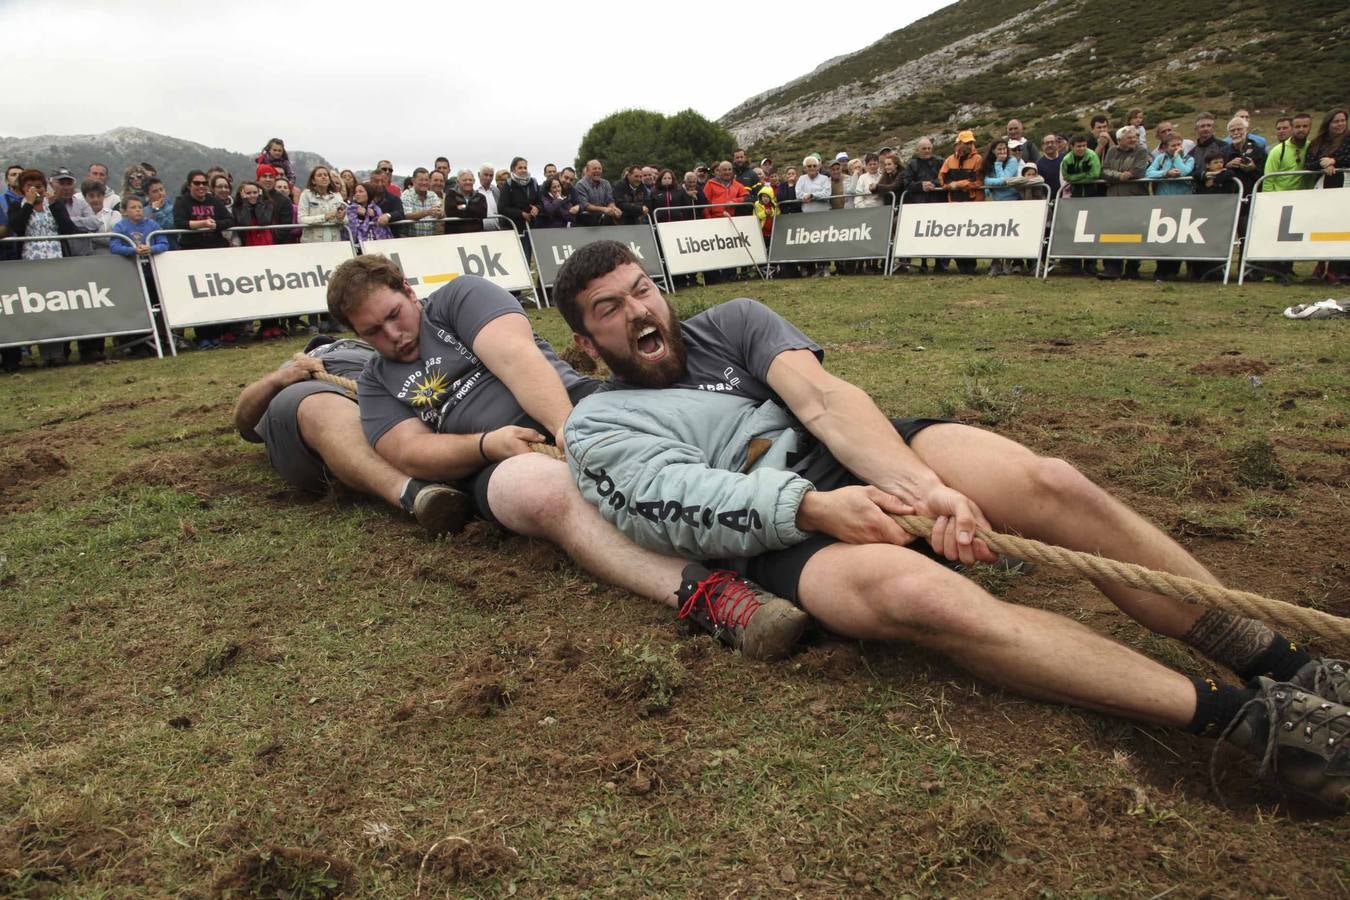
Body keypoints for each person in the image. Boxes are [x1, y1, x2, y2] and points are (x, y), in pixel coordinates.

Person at [551, 239, 1350, 812]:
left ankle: (1287, 663)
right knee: (924, 598)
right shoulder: (596, 428)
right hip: (787, 530)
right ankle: (1254, 725)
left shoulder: (731, 320)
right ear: (587, 346)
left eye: (644, 288)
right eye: (611, 309)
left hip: (869, 460)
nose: (641, 310)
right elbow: (676, 500)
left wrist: (922, 488)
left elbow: (825, 400)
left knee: (1055, 483)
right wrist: (818, 508)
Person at [323, 255, 810, 660]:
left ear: (409, 291)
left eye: (395, 315)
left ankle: (795, 504)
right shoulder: (375, 382)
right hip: (499, 464)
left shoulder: (458, 299)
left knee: (685, 430)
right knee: (542, 492)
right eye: (374, 332)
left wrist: (568, 433)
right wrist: (484, 445)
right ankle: (713, 596)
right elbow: (409, 450)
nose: (394, 335)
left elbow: (518, 358)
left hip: (577, 407)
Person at [234, 336, 473, 537]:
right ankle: (416, 493)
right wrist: (279, 379)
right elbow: (244, 424)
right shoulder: (292, 368)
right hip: (309, 390)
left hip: (382, 384)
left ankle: (466, 466)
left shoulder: (375, 351)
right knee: (320, 408)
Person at [5, 169, 79, 366]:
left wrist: (54, 204)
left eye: (38, 184)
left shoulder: (54, 204)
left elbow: (68, 228)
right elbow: (16, 227)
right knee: (39, 307)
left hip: (56, 257)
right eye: (29, 184)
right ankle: (44, 354)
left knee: (58, 305)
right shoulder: (17, 206)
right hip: (31, 260)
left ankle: (60, 352)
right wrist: (28, 205)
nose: (35, 187)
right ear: (21, 188)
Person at [175, 170, 234, 349]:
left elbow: (229, 220)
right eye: (197, 183)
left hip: (215, 254)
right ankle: (202, 336)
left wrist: (216, 225)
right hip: (192, 254)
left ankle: (216, 335)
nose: (201, 186)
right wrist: (202, 224)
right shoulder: (182, 201)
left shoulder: (214, 201)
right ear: (189, 184)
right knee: (199, 297)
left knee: (216, 296)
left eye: (204, 183)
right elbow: (179, 223)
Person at [110, 195, 171, 356]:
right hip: (131, 275)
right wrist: (133, 250)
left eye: (139, 207)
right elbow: (114, 247)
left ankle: (159, 340)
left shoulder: (152, 224)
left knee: (155, 306)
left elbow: (164, 243)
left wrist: (151, 249)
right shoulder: (120, 227)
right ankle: (137, 343)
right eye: (133, 207)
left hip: (151, 274)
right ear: (124, 211)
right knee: (137, 308)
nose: (137, 210)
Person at [1099, 127, 1151, 280]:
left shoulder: (1141, 151)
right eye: (1130, 138)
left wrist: (1121, 175)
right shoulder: (1112, 151)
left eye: (1135, 137)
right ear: (1120, 139)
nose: (1134, 140)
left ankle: (1132, 268)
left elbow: (1139, 171)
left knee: (1134, 233)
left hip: (1135, 198)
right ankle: (1112, 269)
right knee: (1112, 234)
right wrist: (1120, 175)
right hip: (1114, 199)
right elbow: (1104, 171)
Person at [1306, 108, 1350, 283]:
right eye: (1336, 121)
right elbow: (1309, 163)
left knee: (1342, 228)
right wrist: (1322, 165)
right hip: (1325, 188)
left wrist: (1335, 161)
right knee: (1323, 226)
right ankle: (1320, 263)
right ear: (1328, 123)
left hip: (1346, 187)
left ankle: (1336, 268)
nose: (1340, 124)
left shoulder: (1348, 140)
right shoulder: (1317, 142)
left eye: (1342, 120)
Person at [1147, 136, 1196, 282]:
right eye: (1173, 145)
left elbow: (1184, 172)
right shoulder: (1160, 159)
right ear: (1165, 146)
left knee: (1178, 238)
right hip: (1163, 202)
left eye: (1178, 145)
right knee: (1162, 237)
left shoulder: (1188, 158)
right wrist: (1164, 173)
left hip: (1182, 203)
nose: (1176, 147)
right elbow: (1149, 172)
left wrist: (1176, 157)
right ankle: (1161, 268)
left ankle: (1173, 270)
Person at [939, 132, 983, 274]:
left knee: (970, 235)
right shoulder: (949, 160)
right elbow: (942, 178)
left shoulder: (978, 159)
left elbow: (977, 181)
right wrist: (949, 186)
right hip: (954, 202)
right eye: (966, 142)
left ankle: (971, 265)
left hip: (972, 202)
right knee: (956, 235)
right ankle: (960, 263)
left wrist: (958, 184)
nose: (969, 145)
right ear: (958, 143)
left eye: (971, 142)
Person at [900, 140, 944, 273]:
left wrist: (933, 184)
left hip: (937, 202)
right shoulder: (912, 164)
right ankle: (923, 262)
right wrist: (921, 185)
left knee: (938, 234)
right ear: (918, 150)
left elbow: (944, 177)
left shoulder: (939, 161)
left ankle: (939, 263)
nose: (927, 151)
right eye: (924, 148)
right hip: (919, 204)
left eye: (929, 148)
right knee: (922, 235)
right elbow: (907, 182)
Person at [981, 139, 1020, 276]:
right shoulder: (988, 164)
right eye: (999, 149)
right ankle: (996, 263)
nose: (1003, 152)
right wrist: (990, 183)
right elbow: (985, 181)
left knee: (1011, 235)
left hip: (1012, 201)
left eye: (1004, 149)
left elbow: (1005, 180)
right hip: (997, 203)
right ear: (993, 150)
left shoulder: (1012, 161)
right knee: (998, 234)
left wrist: (998, 164)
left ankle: (1008, 263)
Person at [498, 157, 541, 259]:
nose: (523, 170)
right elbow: (502, 208)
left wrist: (537, 208)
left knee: (527, 258)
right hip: (513, 230)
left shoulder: (533, 183)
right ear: (513, 170)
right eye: (520, 168)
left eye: (525, 167)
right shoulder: (508, 185)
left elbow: (540, 202)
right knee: (516, 259)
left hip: (530, 229)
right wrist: (521, 213)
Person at [298, 165, 346, 243]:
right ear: (313, 180)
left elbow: (346, 219)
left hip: (335, 241)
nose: (323, 177)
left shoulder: (337, 195)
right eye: (319, 175)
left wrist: (341, 218)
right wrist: (324, 217)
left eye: (326, 175)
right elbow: (301, 219)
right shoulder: (306, 194)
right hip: (312, 242)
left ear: (329, 179)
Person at [573, 160, 620, 227]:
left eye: (599, 169)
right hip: (585, 223)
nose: (597, 171)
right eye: (594, 168)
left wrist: (614, 209)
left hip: (603, 221)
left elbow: (610, 200)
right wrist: (603, 209)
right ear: (587, 171)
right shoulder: (580, 185)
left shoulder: (606, 183)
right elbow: (585, 205)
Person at [400, 167, 444, 238]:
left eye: (426, 180)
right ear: (413, 181)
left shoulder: (432, 195)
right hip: (410, 240)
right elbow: (406, 215)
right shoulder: (406, 194)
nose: (424, 183)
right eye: (421, 180)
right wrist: (428, 212)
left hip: (431, 239)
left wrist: (440, 213)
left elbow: (439, 213)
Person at [445, 170, 487, 235]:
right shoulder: (451, 195)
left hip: (476, 234)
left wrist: (461, 207)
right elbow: (451, 212)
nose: (468, 182)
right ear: (457, 182)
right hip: (455, 235)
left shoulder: (481, 197)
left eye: (470, 180)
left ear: (474, 181)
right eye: (464, 180)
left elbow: (482, 213)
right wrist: (471, 208)